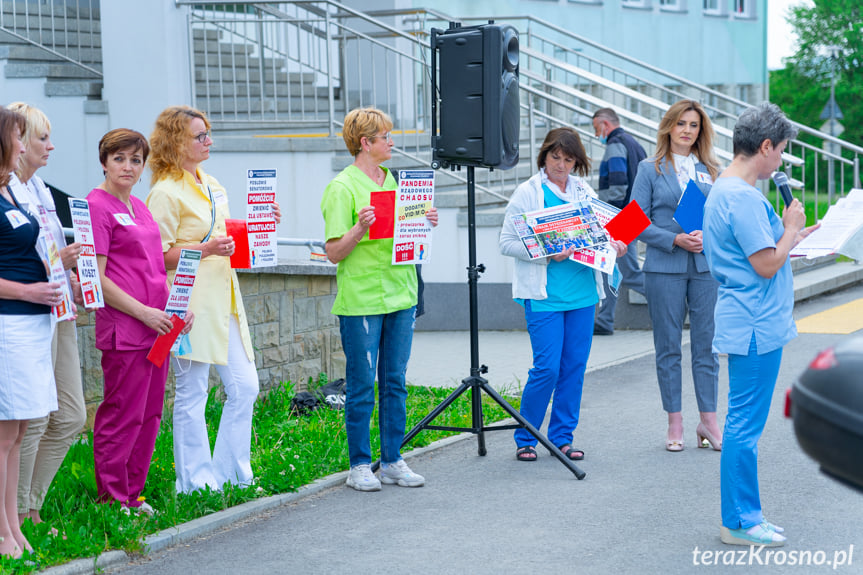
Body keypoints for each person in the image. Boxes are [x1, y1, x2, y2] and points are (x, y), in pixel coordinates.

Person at [147, 106, 278, 494]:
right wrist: (204, 250)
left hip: (225, 298)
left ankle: (232, 473)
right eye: (200, 136)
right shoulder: (165, 192)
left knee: (245, 386)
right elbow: (156, 254)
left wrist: (261, 223)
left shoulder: (211, 182)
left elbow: (225, 237)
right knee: (192, 393)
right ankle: (194, 483)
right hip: (187, 302)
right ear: (176, 143)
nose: (209, 141)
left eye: (208, 134)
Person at [703, 103, 818, 547]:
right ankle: (740, 520)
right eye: (782, 151)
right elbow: (766, 263)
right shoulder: (741, 196)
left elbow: (764, 251)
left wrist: (793, 236)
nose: (781, 161)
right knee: (744, 426)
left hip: (749, 317)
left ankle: (743, 515)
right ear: (765, 146)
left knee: (743, 422)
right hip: (753, 321)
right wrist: (790, 230)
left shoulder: (729, 189)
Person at [320, 107, 438, 491]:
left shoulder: (395, 182)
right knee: (361, 384)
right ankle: (358, 464)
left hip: (401, 293)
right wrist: (359, 227)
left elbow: (410, 239)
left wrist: (426, 223)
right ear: (365, 143)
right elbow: (334, 252)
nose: (392, 142)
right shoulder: (342, 187)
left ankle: (392, 460)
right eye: (385, 137)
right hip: (363, 299)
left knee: (395, 381)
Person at [499, 127, 627, 463]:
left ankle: (561, 438)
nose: (561, 164)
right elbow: (506, 243)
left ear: (576, 162)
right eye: (555, 157)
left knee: (574, 368)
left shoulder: (583, 192)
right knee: (547, 369)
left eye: (568, 159)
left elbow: (604, 236)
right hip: (544, 297)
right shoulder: (527, 193)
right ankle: (526, 437)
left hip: (583, 295)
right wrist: (545, 252)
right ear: (544, 155)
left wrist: (616, 247)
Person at [89, 128, 193, 512]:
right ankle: (111, 499)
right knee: (122, 416)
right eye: (119, 159)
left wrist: (175, 308)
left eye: (136, 160)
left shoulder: (141, 207)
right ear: (104, 162)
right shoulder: (96, 207)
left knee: (149, 416)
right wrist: (145, 312)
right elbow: (98, 277)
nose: (128, 166)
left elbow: (154, 269)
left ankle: (133, 495)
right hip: (127, 329)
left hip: (159, 330)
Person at [6, 102, 87, 533]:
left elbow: (47, 254)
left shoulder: (37, 189)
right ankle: (20, 515)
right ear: (16, 143)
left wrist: (72, 274)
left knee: (72, 415)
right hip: (27, 315)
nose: (48, 146)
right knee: (31, 419)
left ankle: (29, 503)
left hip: (59, 309)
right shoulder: (8, 192)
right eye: (40, 138)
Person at [631, 100, 723, 452]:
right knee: (668, 347)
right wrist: (673, 238)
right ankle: (675, 421)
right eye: (681, 123)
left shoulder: (711, 169)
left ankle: (709, 421)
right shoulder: (649, 168)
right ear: (669, 126)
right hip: (664, 267)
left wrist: (707, 235)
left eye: (694, 125)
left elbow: (719, 217)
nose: (687, 130)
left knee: (707, 347)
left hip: (703, 268)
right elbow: (633, 221)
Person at [0, 107, 60, 557]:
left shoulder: (11, 193)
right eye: (19, 138)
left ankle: (12, 528)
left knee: (18, 432)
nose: (24, 147)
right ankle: (3, 532)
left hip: (33, 323)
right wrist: (28, 290)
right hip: (11, 324)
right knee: (5, 434)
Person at [591, 108, 647, 336]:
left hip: (620, 215)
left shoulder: (615, 144)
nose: (596, 135)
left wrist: (605, 214)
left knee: (628, 272)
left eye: (596, 129)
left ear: (605, 124)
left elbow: (617, 185)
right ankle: (605, 320)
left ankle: (674, 302)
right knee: (610, 268)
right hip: (634, 213)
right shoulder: (635, 144)